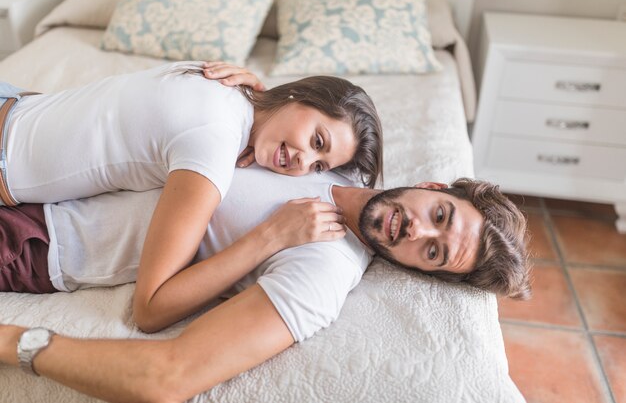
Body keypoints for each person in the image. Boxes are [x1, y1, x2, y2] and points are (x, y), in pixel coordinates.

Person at [0, 164, 530, 403]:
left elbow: (168, 376)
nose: (418, 230)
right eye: (439, 213)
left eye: (432, 252)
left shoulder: (324, 270)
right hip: (38, 160)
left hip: (37, 233)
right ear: (434, 185)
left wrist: (14, 342)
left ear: (420, 269)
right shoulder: (344, 158)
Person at [0, 61, 383, 330]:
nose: (303, 162)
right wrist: (271, 236)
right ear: (299, 95)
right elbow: (150, 309)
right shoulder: (213, 144)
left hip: (15, 103)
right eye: (317, 140)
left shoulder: (225, 85)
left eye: (318, 166)